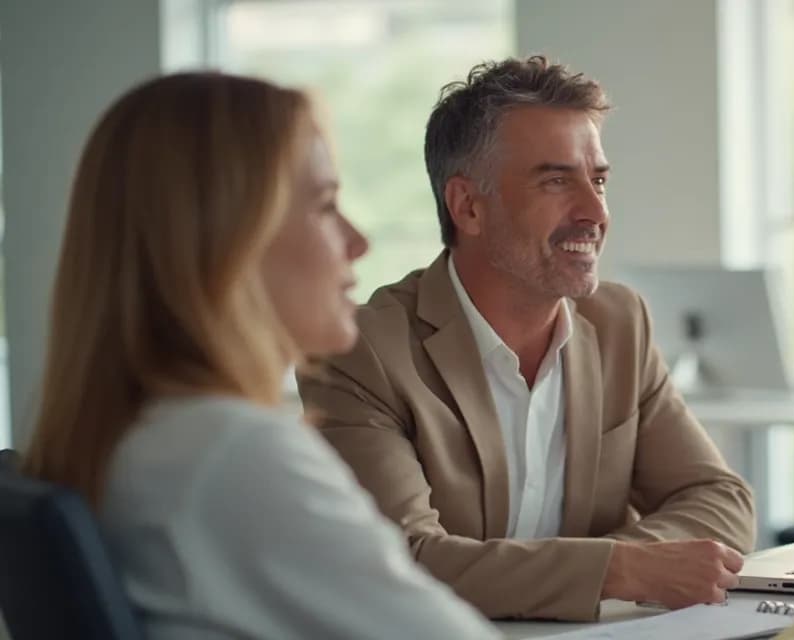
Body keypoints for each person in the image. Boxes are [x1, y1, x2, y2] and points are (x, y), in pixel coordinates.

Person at [21, 72, 500, 638]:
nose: (358, 241)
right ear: (230, 238)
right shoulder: (232, 451)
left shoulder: (135, 437)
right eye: (325, 206)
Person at [297, 55, 756, 622]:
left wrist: (614, 565)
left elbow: (720, 499)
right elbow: (400, 560)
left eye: (600, 180)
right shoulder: (360, 350)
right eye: (556, 180)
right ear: (468, 206)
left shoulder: (619, 323)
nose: (595, 211)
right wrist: (622, 569)